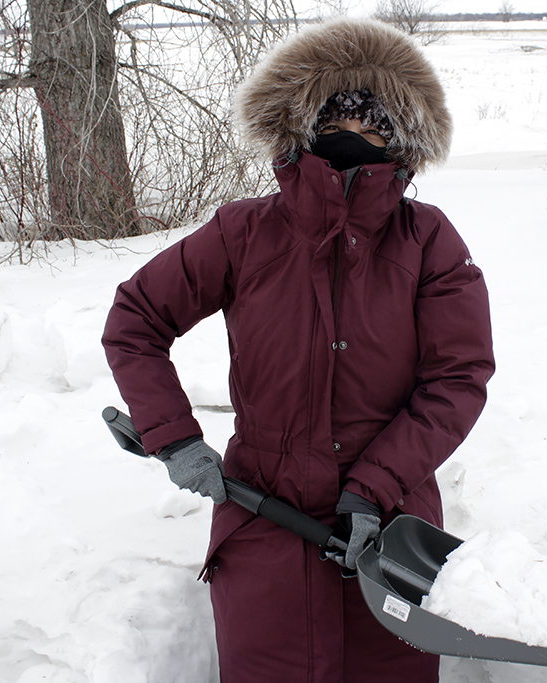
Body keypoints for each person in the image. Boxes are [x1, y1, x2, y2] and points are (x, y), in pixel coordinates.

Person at [102, 17, 494, 683]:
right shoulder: (242, 232)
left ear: (405, 136)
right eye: (340, 114)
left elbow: (458, 377)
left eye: (377, 120)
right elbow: (136, 319)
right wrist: (174, 437)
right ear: (299, 125)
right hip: (262, 519)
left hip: (389, 531)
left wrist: (374, 487)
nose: (358, 133)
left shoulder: (428, 241)